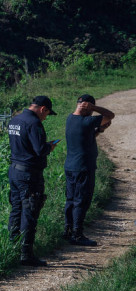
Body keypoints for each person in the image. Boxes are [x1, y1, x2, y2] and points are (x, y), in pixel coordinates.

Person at [7, 96, 58, 267]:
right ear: (43, 109)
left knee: (16, 209)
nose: (45, 118)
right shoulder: (34, 123)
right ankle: (26, 254)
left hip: (14, 170)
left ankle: (12, 247)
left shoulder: (15, 120)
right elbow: (39, 150)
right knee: (30, 210)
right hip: (29, 174)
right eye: (47, 114)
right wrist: (49, 147)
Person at [63, 94, 114, 246]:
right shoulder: (87, 120)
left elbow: (86, 136)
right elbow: (110, 115)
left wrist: (100, 130)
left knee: (71, 200)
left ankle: (68, 230)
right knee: (81, 201)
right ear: (86, 107)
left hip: (71, 167)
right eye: (90, 109)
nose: (92, 113)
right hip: (83, 167)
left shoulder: (70, 119)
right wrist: (94, 108)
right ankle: (77, 235)